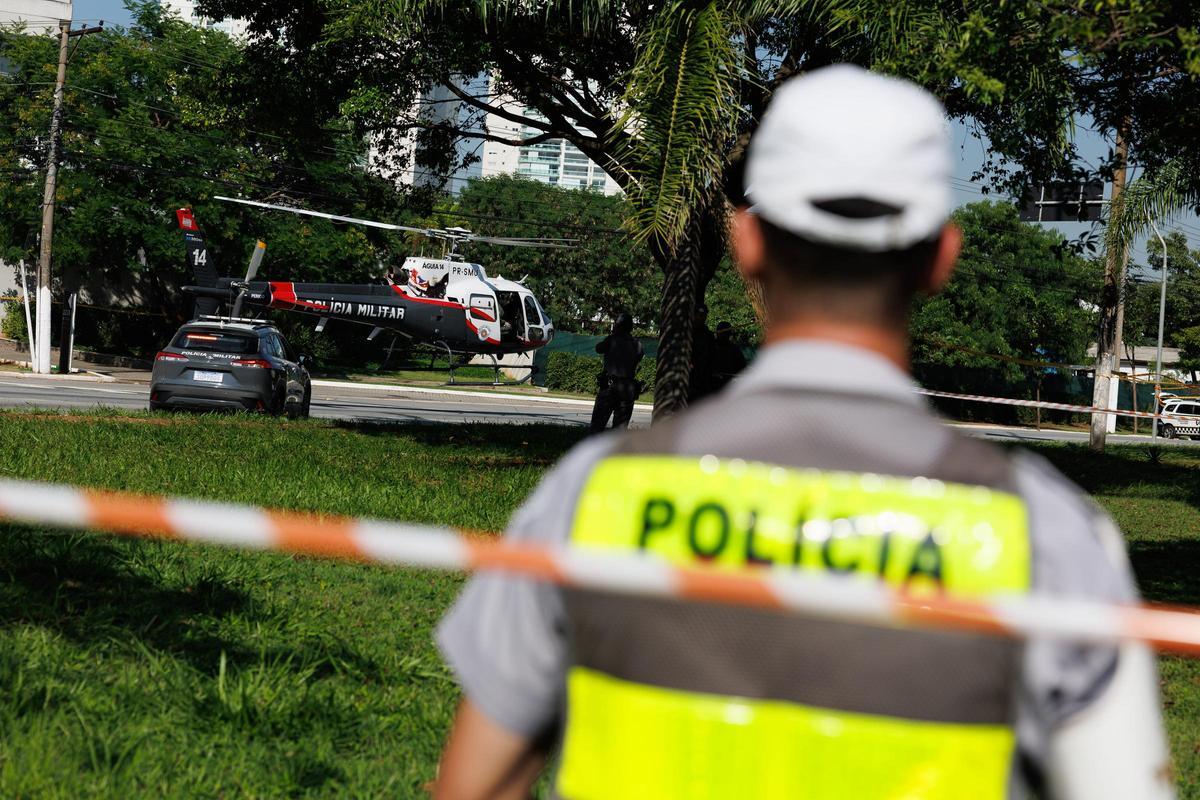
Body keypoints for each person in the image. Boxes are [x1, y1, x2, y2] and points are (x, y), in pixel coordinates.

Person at [433, 65, 1172, 800]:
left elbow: (476, 785)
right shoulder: (1047, 539)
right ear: (941, 259)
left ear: (749, 244)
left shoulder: (593, 497)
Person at [588, 313, 643, 433]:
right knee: (619, 431)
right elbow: (638, 357)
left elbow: (598, 348)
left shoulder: (612, 340)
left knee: (597, 426)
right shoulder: (637, 344)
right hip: (628, 388)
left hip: (610, 386)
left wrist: (612, 336)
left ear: (618, 326)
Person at [687, 303, 716, 403]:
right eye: (700, 315)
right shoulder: (686, 333)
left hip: (703, 381)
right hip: (687, 380)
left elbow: (712, 356)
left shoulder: (708, 336)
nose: (702, 318)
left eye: (704, 315)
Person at [710, 320, 747, 391]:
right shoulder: (710, 347)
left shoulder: (734, 349)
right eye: (722, 334)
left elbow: (742, 369)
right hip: (712, 386)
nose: (724, 336)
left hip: (729, 386)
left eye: (726, 334)